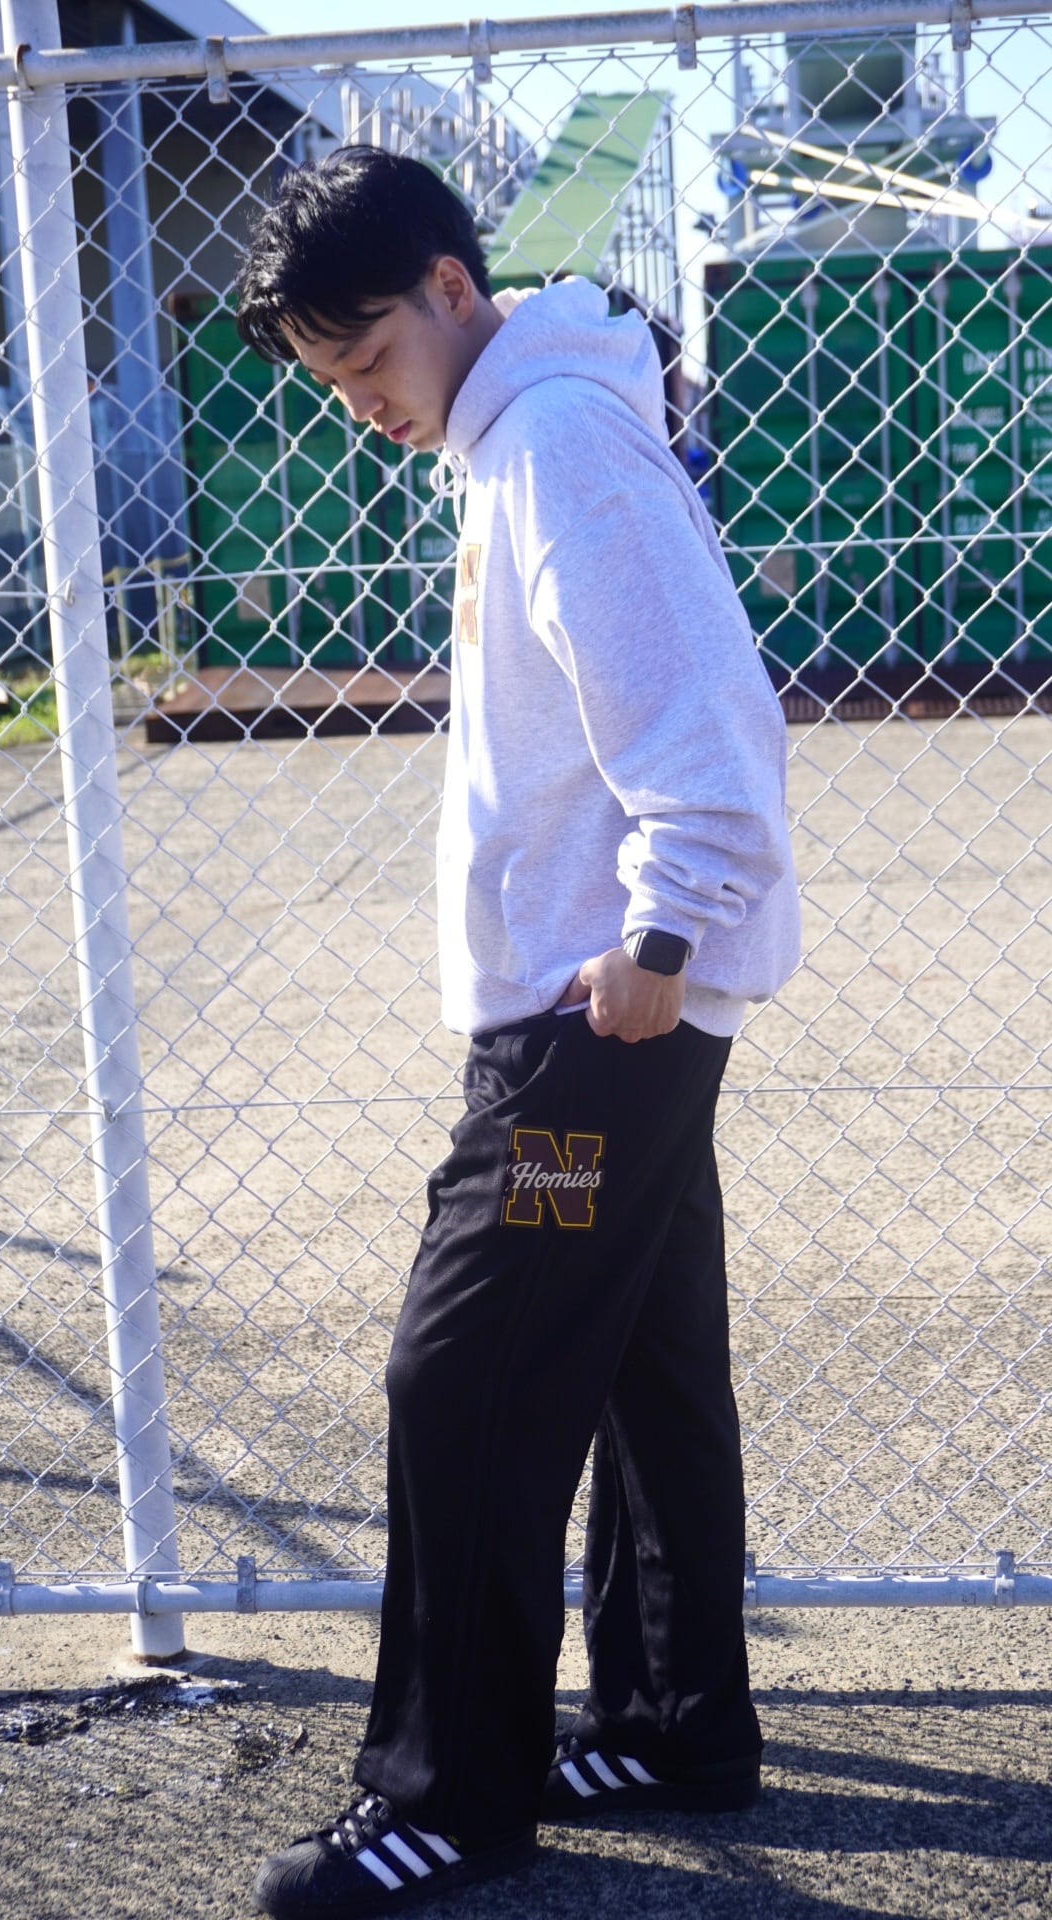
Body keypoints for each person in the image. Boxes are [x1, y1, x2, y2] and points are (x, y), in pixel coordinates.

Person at [233, 144, 802, 1920]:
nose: (360, 403)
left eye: (367, 358)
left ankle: (446, 1795)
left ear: (451, 288)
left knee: (460, 1376)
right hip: (613, 1002)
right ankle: (676, 1727)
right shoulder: (527, 438)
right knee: (643, 1368)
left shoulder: (555, 446)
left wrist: (658, 939)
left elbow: (711, 723)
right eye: (328, 380)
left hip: (596, 1017)